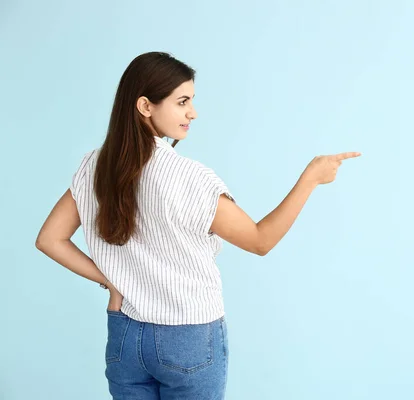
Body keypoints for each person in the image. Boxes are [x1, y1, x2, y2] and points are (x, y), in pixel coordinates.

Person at [34, 51, 361, 399]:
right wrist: (310, 178)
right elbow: (260, 240)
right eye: (182, 101)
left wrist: (112, 283)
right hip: (188, 337)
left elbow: (50, 239)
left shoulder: (94, 166)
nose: (193, 112)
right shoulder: (191, 179)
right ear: (146, 106)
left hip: (125, 332)